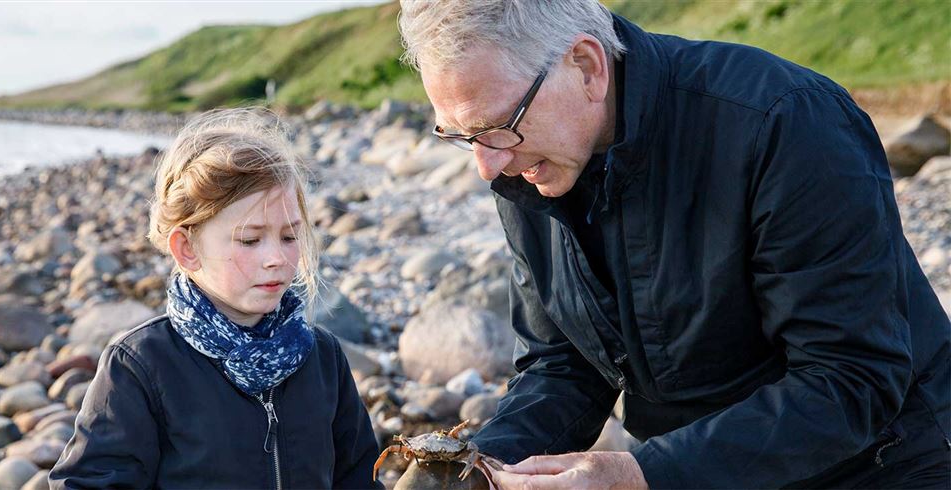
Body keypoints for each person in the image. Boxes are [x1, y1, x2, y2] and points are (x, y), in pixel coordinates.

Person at [398, 0, 951, 488]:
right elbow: (563, 363)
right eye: (461, 136)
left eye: (496, 126)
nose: (485, 165)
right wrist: (470, 471)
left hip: (886, 463)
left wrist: (646, 473)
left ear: (587, 66)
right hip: (691, 469)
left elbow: (852, 379)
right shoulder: (524, 162)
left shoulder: (781, 123)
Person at [48, 108, 381, 489]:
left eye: (289, 236)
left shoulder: (321, 357)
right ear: (187, 248)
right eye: (250, 240)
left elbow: (359, 478)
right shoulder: (142, 366)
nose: (276, 258)